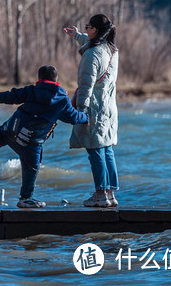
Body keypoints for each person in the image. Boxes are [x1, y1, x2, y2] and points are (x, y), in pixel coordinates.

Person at [0, 64, 88, 208]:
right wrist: (87, 118)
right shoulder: (61, 99)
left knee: (1, 136)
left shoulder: (32, 90)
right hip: (31, 138)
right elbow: (73, 117)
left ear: (39, 79)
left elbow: (14, 95)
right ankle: (26, 198)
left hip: (15, 125)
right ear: (57, 81)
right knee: (31, 166)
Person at [65, 14, 120, 208]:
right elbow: (92, 44)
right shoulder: (112, 50)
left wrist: (81, 112)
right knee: (106, 149)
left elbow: (86, 85)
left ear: (95, 30)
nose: (86, 30)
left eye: (87, 27)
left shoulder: (92, 54)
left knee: (95, 149)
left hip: (94, 108)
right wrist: (77, 35)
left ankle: (100, 194)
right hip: (109, 108)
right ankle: (110, 194)